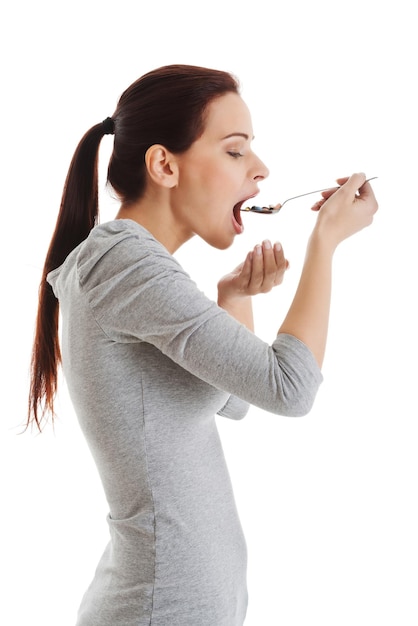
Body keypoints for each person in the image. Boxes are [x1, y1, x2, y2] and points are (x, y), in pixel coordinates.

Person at [27, 64, 378, 626]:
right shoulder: (124, 262)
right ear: (164, 164)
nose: (261, 170)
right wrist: (326, 242)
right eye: (235, 152)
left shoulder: (139, 269)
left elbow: (232, 401)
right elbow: (289, 390)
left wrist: (234, 296)